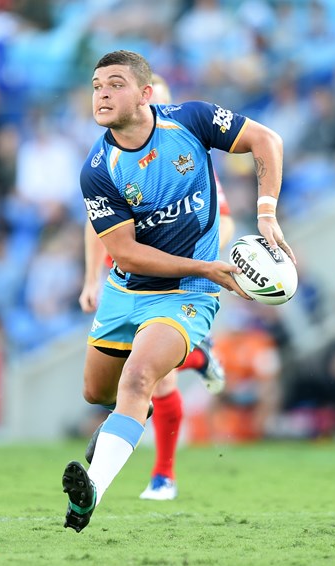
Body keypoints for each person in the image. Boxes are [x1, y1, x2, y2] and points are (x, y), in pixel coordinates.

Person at [63, 49, 294, 532]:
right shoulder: (98, 169)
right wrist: (207, 266)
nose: (102, 93)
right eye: (96, 85)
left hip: (185, 293)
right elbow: (124, 254)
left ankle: (92, 492)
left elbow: (266, 140)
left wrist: (267, 213)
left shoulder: (191, 120)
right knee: (96, 392)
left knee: (139, 378)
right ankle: (167, 385)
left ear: (146, 94)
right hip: (127, 291)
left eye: (115, 84)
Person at [78, 72, 236, 501]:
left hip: (179, 287)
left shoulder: (185, 148)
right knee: (99, 391)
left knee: (148, 377)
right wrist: (92, 277)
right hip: (125, 281)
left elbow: (224, 217)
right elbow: (97, 229)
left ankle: (163, 475)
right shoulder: (105, 164)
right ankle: (197, 356)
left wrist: (206, 262)